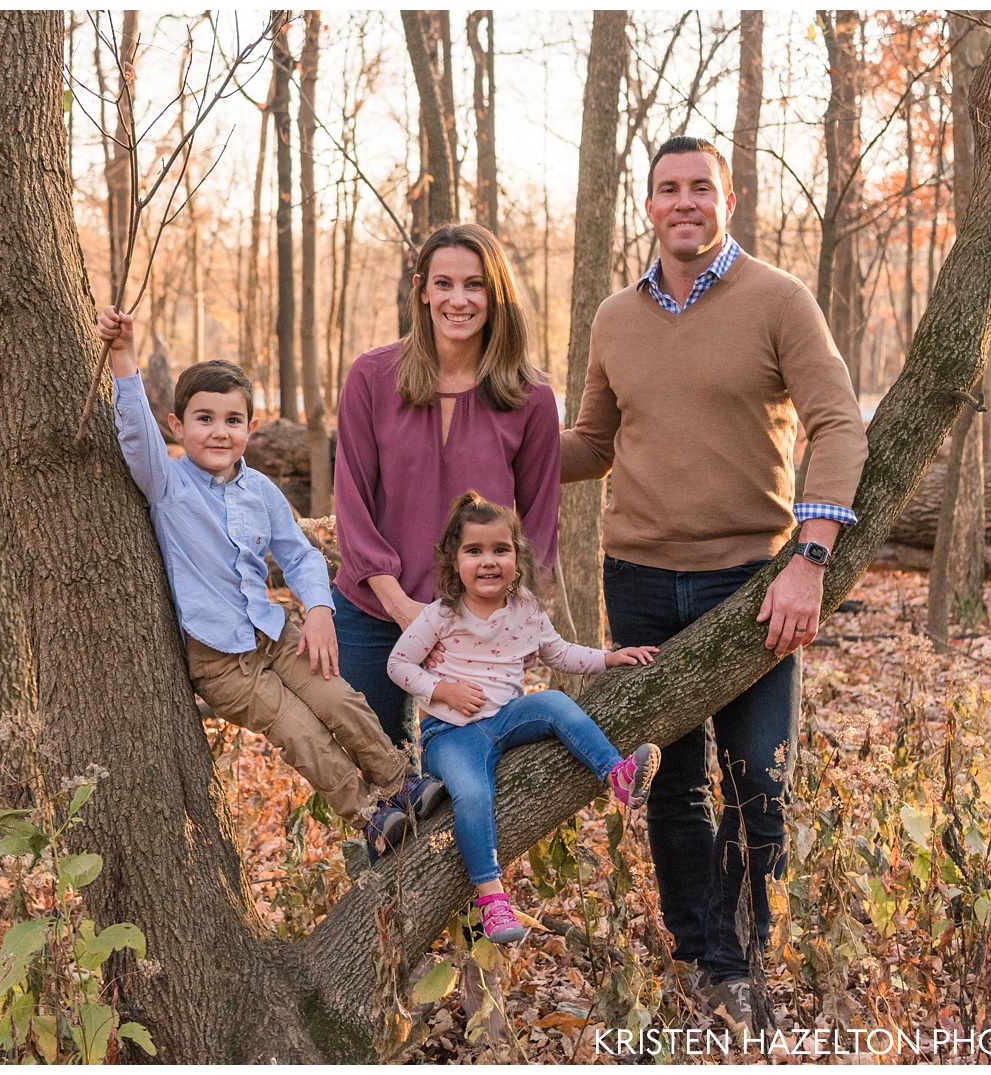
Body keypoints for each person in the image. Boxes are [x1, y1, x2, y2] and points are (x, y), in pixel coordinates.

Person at [561, 137, 869, 1028]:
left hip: (750, 582)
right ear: (649, 204)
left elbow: (838, 425)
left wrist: (810, 559)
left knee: (759, 780)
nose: (684, 201)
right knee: (673, 782)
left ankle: (745, 962)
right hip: (638, 577)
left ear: (727, 201)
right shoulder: (615, 317)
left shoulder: (779, 299)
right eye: (668, 188)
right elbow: (593, 444)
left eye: (701, 186)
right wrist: (503, 440)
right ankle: (701, 956)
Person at [96, 306, 441, 855]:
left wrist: (320, 611)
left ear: (250, 430)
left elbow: (300, 556)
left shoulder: (261, 491)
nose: (219, 431)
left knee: (340, 701)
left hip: (277, 635)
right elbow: (135, 434)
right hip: (219, 658)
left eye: (233, 420)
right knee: (300, 732)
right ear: (177, 427)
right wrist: (123, 355)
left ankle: (402, 781)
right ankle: (371, 816)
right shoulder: (168, 487)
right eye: (204, 418)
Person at [387, 493, 661, 943]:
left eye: (500, 550)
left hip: (508, 718)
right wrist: (443, 690)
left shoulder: (526, 609)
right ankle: (492, 898)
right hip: (451, 734)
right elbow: (399, 665)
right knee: (473, 794)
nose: (488, 561)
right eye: (474, 551)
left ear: (517, 557)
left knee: (553, 702)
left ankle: (617, 774)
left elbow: (559, 653)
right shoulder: (440, 614)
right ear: (455, 561)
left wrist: (610, 658)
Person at [334, 224, 562, 757]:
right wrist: (403, 608)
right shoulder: (371, 377)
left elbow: (537, 522)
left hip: (478, 623)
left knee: (470, 770)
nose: (458, 300)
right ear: (422, 290)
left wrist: (521, 613)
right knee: (378, 772)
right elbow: (351, 504)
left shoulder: (530, 398)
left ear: (495, 295)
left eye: (474, 285)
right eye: (444, 284)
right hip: (374, 610)